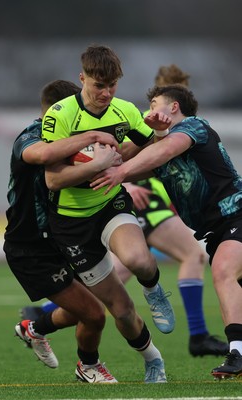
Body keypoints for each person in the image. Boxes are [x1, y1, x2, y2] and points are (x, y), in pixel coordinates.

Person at [23, 64, 228, 357]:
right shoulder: (166, 123)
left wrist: (123, 168)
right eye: (158, 102)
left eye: (112, 86)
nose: (106, 93)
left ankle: (194, 332)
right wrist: (125, 178)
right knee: (117, 283)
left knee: (137, 267)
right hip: (131, 199)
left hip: (134, 198)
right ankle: (43, 316)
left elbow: (137, 151)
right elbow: (143, 156)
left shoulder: (159, 123)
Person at [41, 44, 175, 383]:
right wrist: (98, 165)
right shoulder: (60, 115)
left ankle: (154, 289)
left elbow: (152, 150)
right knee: (121, 310)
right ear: (82, 78)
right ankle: (153, 359)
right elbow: (53, 179)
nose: (106, 92)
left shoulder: (126, 110)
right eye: (99, 85)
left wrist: (159, 132)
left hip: (110, 205)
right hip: (71, 224)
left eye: (112, 85)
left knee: (140, 260)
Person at [90, 84, 242, 380]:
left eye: (155, 103)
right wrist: (97, 154)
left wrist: (121, 172)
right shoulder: (159, 146)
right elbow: (127, 161)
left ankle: (236, 353)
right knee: (229, 279)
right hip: (214, 230)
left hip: (236, 212)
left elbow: (164, 151)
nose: (149, 110)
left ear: (174, 107)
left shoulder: (194, 127)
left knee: (223, 271)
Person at [3, 79, 122, 383]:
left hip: (66, 237)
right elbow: (41, 156)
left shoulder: (73, 139)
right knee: (94, 314)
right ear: (61, 110)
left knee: (94, 306)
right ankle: (88, 367)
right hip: (31, 247)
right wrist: (92, 135)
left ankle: (35, 328)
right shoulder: (31, 136)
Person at [118, 64, 228, 357]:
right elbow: (133, 159)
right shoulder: (149, 124)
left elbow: (154, 159)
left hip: (165, 206)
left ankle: (45, 317)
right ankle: (199, 335)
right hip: (146, 204)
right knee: (192, 256)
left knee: (117, 275)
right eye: (178, 85)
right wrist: (125, 182)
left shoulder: (185, 128)